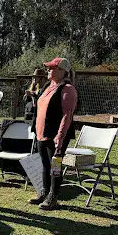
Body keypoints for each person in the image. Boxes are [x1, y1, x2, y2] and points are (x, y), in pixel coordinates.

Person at [29, 57, 77, 210]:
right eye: (48, 67)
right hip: (41, 133)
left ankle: (53, 197)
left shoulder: (67, 89)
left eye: (52, 68)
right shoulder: (48, 85)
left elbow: (67, 115)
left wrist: (60, 137)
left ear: (62, 71)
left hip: (56, 136)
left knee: (55, 166)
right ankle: (44, 193)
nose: (48, 70)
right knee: (44, 164)